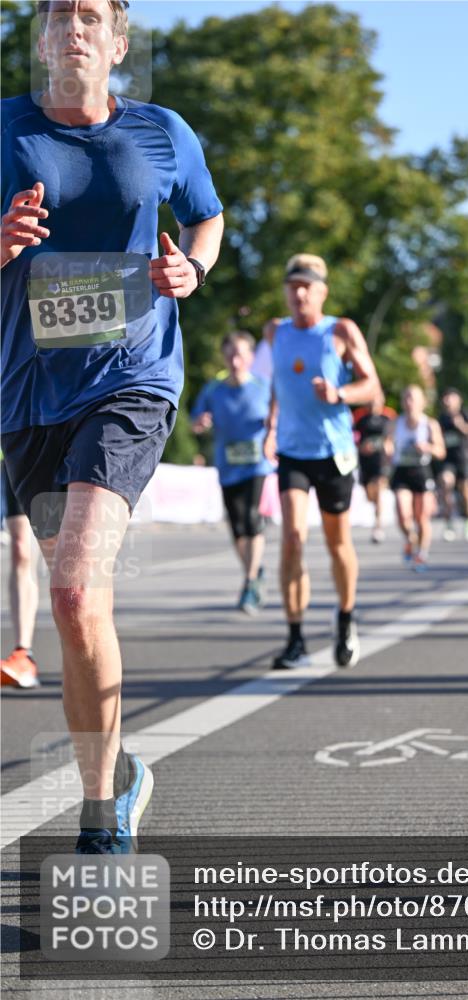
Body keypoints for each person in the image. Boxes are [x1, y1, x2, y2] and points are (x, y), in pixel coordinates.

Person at [1, 0, 223, 853]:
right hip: (29, 394)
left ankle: (100, 816)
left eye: (91, 15)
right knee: (76, 611)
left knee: (73, 589)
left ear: (118, 42)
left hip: (131, 381)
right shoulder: (5, 130)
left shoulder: (162, 132)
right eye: (58, 14)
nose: (73, 27)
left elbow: (206, 215)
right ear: (41, 39)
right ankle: (120, 771)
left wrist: (191, 268)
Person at [263, 253, 380, 669]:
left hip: (333, 452)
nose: (299, 295)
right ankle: (295, 638)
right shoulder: (274, 331)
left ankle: (346, 619)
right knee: (292, 538)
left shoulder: (340, 331)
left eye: (306, 287)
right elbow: (277, 384)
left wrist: (340, 394)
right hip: (292, 451)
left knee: (337, 543)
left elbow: (372, 386)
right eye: (292, 287)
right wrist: (271, 426)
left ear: (322, 292)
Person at [191, 332, 274, 614]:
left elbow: (280, 418)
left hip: (257, 463)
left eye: (239, 354)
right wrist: (200, 422)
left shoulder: (264, 387)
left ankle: (249, 582)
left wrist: (272, 428)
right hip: (227, 466)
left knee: (252, 518)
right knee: (237, 526)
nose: (234, 361)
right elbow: (195, 421)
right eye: (229, 355)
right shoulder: (213, 389)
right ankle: (255, 570)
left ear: (250, 357)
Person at [387, 385, 445, 571]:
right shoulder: (395, 423)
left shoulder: (429, 424)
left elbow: (441, 451)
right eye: (406, 398)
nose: (409, 402)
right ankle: (410, 539)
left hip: (421, 471)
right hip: (402, 470)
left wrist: (428, 447)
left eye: (413, 398)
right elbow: (387, 444)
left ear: (422, 402)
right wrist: (387, 451)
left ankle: (421, 554)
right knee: (402, 514)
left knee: (421, 517)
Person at [1, 465, 41, 688]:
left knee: (67, 552)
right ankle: (22, 655)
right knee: (20, 548)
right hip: (14, 452)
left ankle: (88, 650)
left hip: (61, 449)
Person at [435, 388, 468, 541]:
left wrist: (461, 425)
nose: (448, 401)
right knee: (446, 483)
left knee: (467, 492)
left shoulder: (466, 414)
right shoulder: (441, 419)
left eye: (451, 398)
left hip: (464, 459)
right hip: (448, 460)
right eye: (445, 398)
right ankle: (449, 523)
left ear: (459, 400)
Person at [354, 392, 395, 544]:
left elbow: (394, 435)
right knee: (370, 495)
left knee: (378, 490)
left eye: (376, 401)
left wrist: (389, 445)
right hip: (365, 462)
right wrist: (361, 447)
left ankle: (378, 525)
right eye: (370, 401)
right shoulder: (359, 417)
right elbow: (353, 437)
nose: (373, 404)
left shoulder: (389, 416)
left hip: (382, 462)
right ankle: (376, 511)